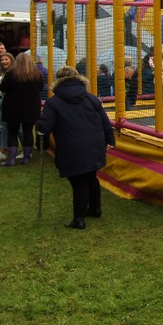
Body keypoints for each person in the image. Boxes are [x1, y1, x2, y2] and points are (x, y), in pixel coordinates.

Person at [36, 66, 115, 230]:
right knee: (91, 176)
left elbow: (44, 127)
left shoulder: (54, 102)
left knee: (78, 180)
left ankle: (79, 218)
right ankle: (95, 208)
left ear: (58, 81)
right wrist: (110, 140)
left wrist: (41, 144)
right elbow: (105, 122)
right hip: (94, 142)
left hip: (72, 145)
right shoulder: (91, 98)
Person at [0, 51, 44, 167]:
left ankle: (11, 160)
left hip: (13, 107)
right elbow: (41, 88)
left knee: (12, 132)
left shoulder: (12, 74)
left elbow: (3, 88)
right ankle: (26, 158)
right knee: (28, 131)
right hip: (31, 107)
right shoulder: (37, 74)